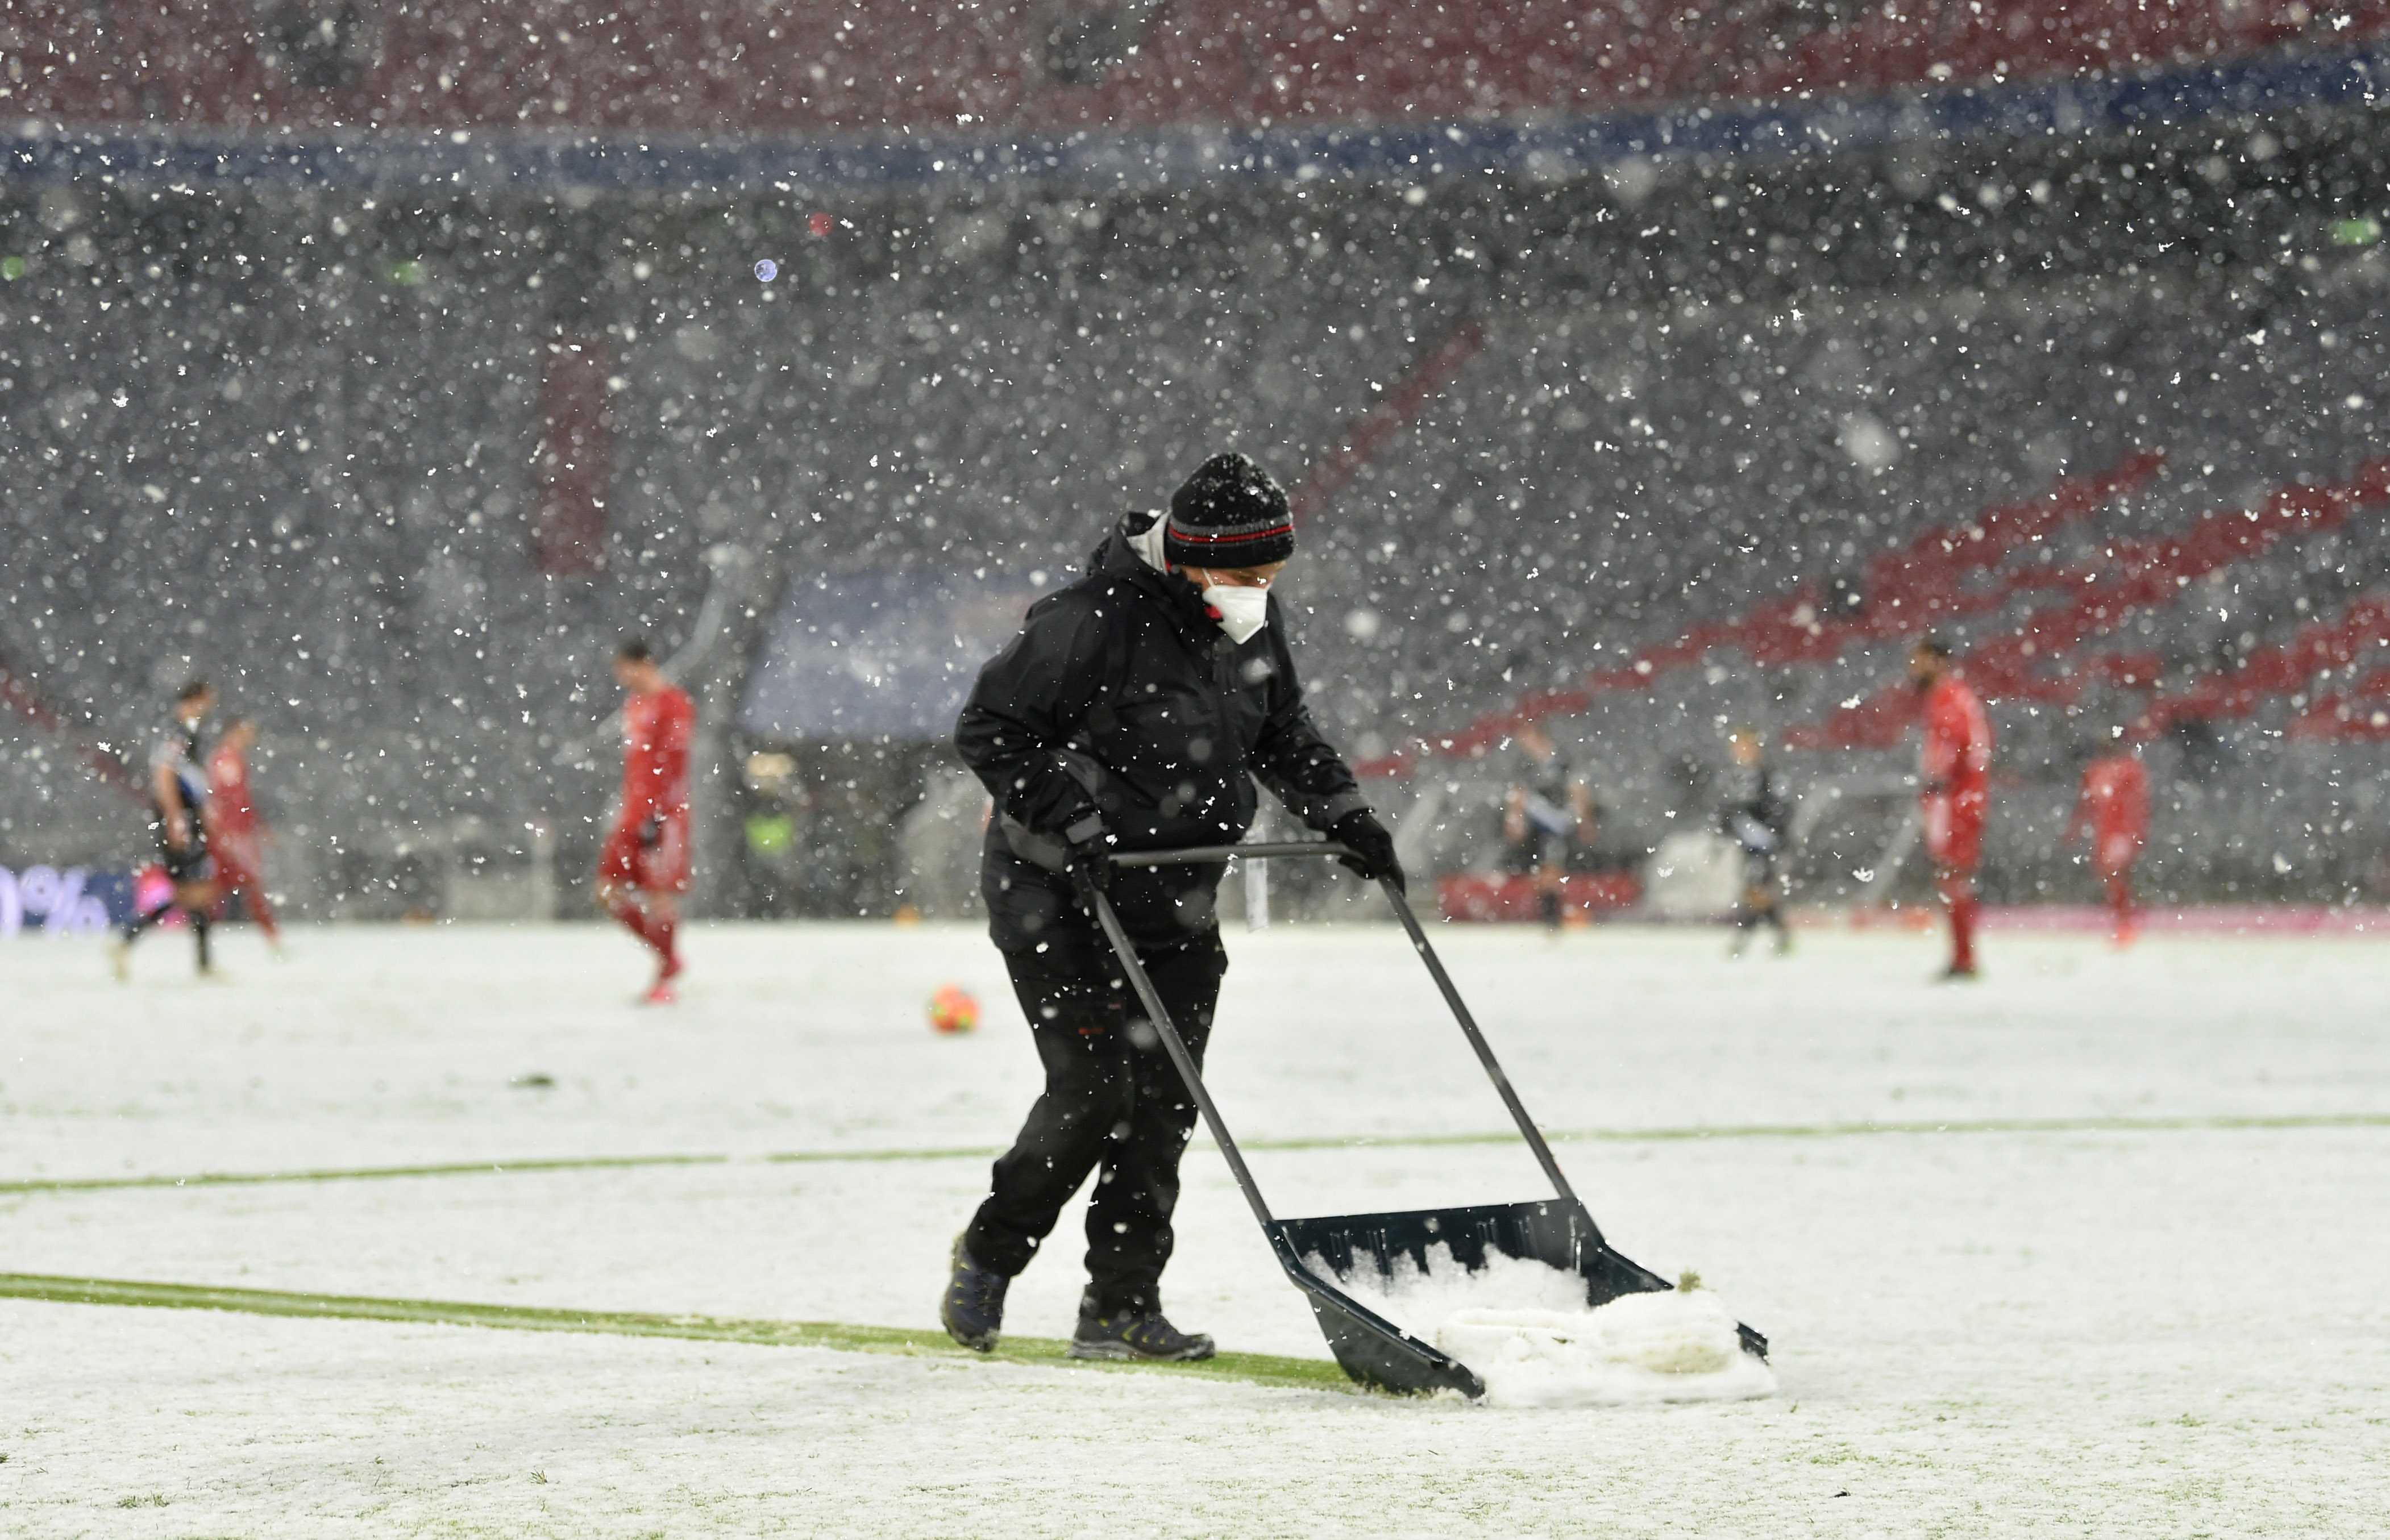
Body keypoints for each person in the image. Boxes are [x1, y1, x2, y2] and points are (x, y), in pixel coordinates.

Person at [940, 451, 1399, 1363]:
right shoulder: (1087, 624)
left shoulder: (1250, 622)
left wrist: (1345, 813)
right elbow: (988, 730)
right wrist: (1070, 815)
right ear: (1189, 557)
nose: (1258, 589)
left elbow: (1283, 734)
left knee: (1164, 1100)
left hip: (1173, 891)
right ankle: (989, 1251)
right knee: (1093, 1090)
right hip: (1059, 890)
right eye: (1242, 573)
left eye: (1271, 573)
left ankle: (1119, 1303)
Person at [597, 639, 695, 1004]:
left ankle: (664, 978)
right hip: (632, 813)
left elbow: (673, 768)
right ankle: (668, 959)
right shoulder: (635, 705)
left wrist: (657, 815)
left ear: (645, 664)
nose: (621, 677)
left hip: (663, 816)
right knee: (607, 892)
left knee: (659, 895)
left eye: (625, 668)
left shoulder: (675, 705)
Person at [110, 678, 221, 979]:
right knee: (193, 893)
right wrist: (176, 817)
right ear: (197, 698)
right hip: (182, 818)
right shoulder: (176, 731)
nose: (212, 705)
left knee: (195, 891)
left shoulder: (185, 731)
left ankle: (203, 963)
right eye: (209, 698)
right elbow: (164, 772)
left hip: (188, 817)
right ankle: (128, 939)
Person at [1911, 638, 1992, 980]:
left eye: (1918, 661)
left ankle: (1964, 959)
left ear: (1937, 661)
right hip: (1961, 797)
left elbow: (1954, 747)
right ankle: (1962, 955)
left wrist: (1935, 783)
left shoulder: (1948, 698)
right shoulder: (1957, 697)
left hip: (1955, 799)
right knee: (1952, 876)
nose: (1913, 669)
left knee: (1952, 876)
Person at [1499, 721, 1595, 929]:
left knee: (1552, 867)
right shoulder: (1525, 764)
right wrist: (1515, 818)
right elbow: (1518, 793)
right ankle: (1548, 912)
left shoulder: (1562, 760)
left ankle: (1552, 914)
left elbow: (1577, 790)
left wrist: (1584, 820)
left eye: (1526, 738)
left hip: (1558, 821)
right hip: (1537, 824)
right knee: (1542, 870)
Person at [206, 716, 282, 951]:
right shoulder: (225, 760)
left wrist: (259, 827)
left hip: (236, 834)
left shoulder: (231, 759)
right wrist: (227, 833)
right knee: (247, 884)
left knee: (224, 887)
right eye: (247, 732)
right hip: (233, 836)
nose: (251, 738)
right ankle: (271, 936)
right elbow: (227, 801)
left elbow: (242, 801)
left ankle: (271, 936)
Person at [2068, 736, 2150, 944]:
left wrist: (2134, 832)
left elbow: (2138, 803)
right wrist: (2075, 829)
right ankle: (2123, 916)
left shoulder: (2131, 769)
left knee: (2115, 872)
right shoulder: (2095, 770)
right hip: (2103, 831)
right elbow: (2085, 803)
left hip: (2121, 831)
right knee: (2108, 875)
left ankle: (2126, 920)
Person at [1719, 726, 1792, 955]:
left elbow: (1779, 810)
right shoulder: (1734, 778)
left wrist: (1771, 836)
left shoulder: (1768, 776)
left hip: (1764, 844)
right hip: (1746, 844)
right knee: (1757, 891)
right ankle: (1779, 935)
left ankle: (1743, 937)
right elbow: (1728, 811)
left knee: (1757, 890)